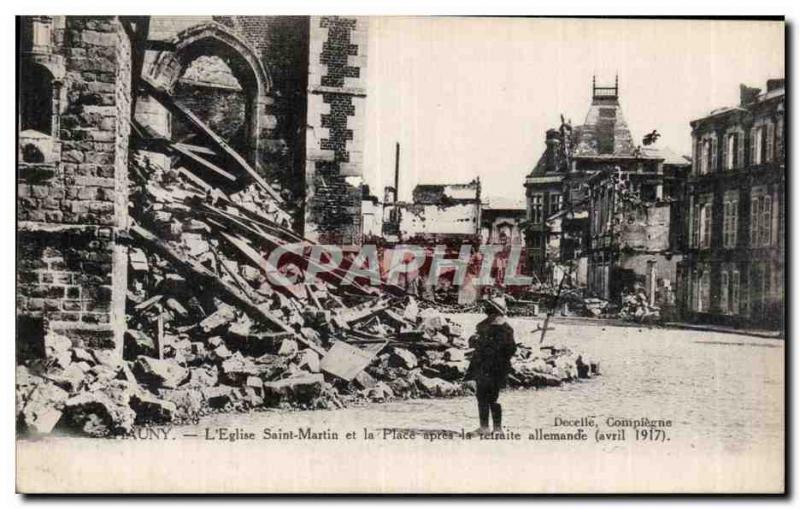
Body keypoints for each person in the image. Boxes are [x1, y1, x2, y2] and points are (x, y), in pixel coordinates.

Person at [464, 295, 517, 435]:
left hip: (495, 367)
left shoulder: (505, 329)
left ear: (495, 311)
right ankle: (484, 427)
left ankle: (497, 428)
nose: (486, 310)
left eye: (490, 308)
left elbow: (510, 349)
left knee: (492, 397)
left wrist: (486, 347)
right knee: (481, 396)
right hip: (483, 366)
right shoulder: (485, 326)